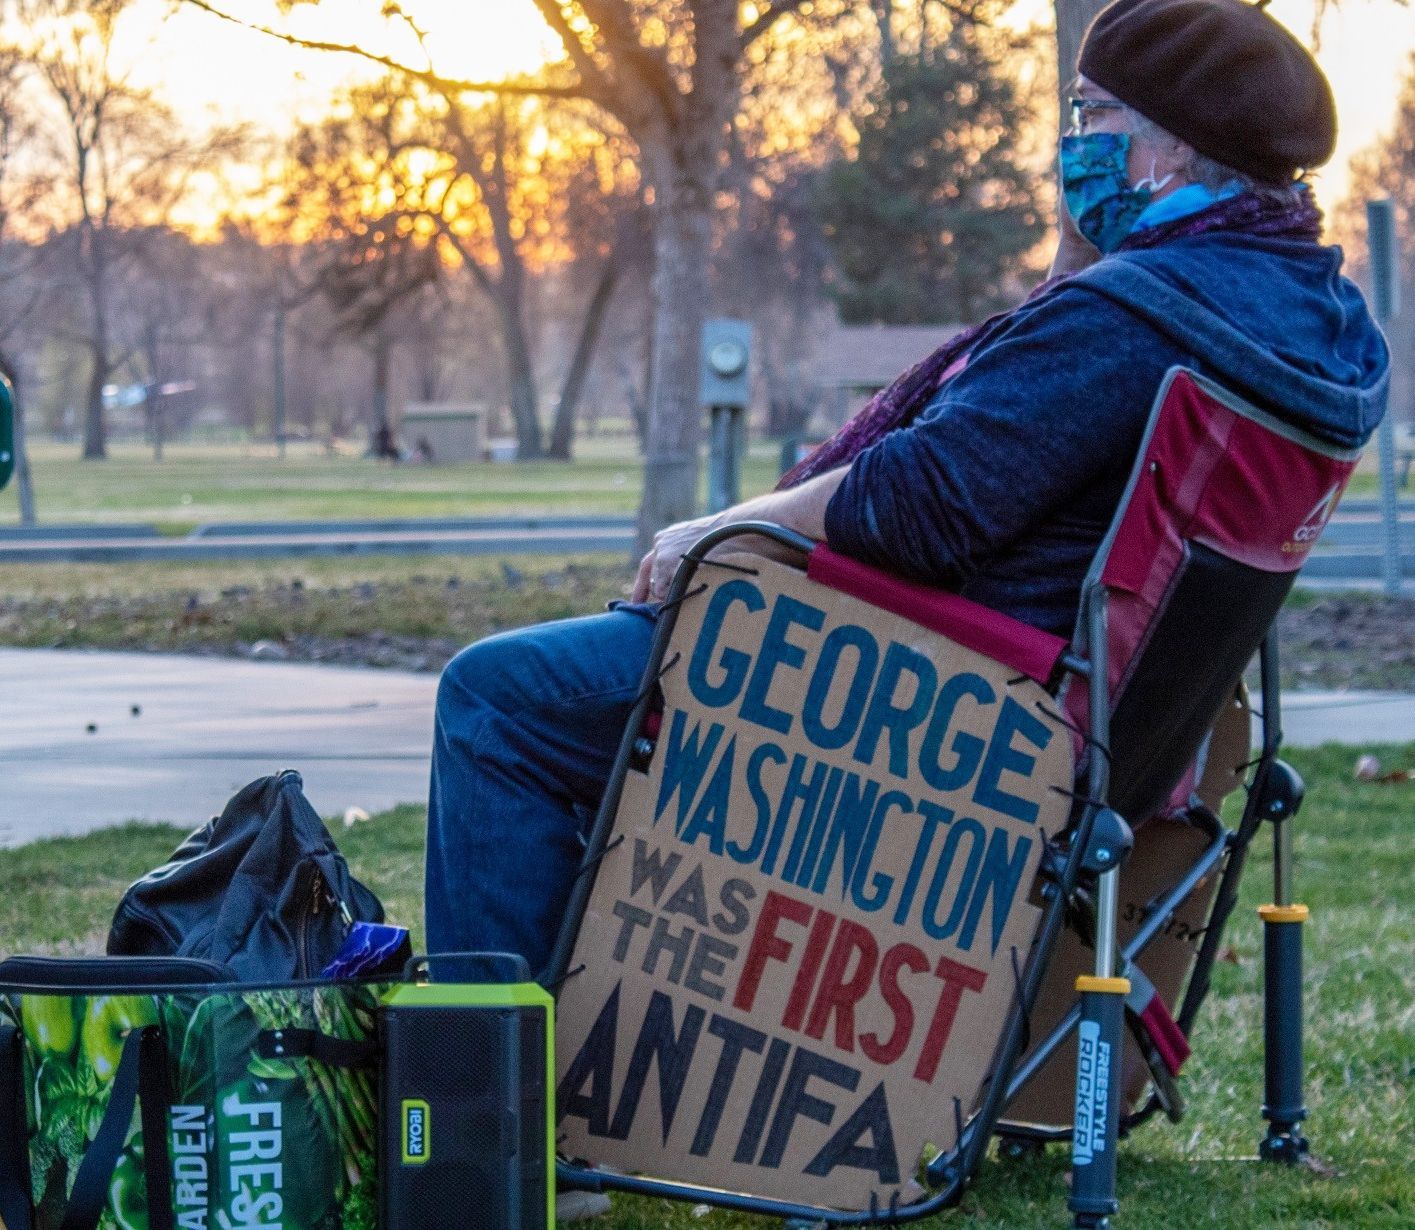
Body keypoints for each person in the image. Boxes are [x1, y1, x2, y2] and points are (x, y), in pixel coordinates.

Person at [425, 0, 1389, 975]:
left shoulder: (1134, 319)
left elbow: (912, 510)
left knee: (500, 699)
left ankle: (489, 1096)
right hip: (1094, 739)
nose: (1070, 145)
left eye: (1091, 117)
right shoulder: (1298, 313)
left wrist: (722, 529)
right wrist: (1074, 270)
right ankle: (601, 1035)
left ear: (1167, 153)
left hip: (930, 713)